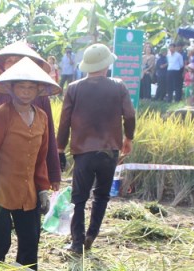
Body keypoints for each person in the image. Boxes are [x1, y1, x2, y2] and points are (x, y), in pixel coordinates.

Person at [57, 43, 135, 255]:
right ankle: (91, 235)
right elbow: (129, 115)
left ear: (87, 66)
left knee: (79, 198)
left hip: (83, 152)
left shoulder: (74, 88)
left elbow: (64, 122)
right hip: (110, 151)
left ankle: (76, 243)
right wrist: (128, 137)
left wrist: (60, 148)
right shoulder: (118, 86)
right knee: (102, 196)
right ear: (107, 64)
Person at [0, 58, 59, 270]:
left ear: (38, 90)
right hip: (1, 192)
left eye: (31, 87)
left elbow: (40, 158)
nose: (26, 92)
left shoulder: (41, 117)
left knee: (30, 244)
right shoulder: (1, 116)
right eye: (21, 87)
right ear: (12, 89)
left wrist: (43, 189)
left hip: (28, 193)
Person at [0, 41, 62, 189]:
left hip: (32, 170)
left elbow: (49, 137)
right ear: (2, 66)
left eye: (19, 60)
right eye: (9, 61)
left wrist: (54, 174)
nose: (14, 64)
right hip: (2, 174)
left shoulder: (41, 98)